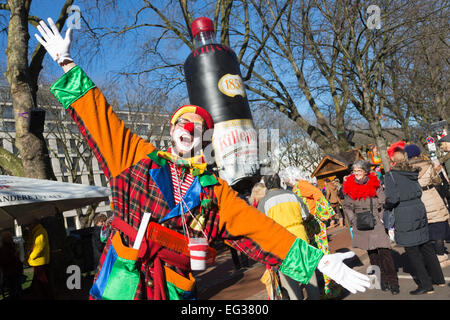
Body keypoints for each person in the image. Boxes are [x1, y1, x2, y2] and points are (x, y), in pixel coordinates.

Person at [35, 18, 370, 300]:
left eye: (198, 128)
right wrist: (67, 63)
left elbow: (261, 229)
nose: (189, 129)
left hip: (174, 285)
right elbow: (100, 118)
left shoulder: (214, 191)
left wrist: (318, 262)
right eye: (183, 123)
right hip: (124, 281)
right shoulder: (135, 156)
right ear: (172, 131)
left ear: (202, 140)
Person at [384, 149, 445, 295]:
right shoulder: (412, 172)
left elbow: (393, 198)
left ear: (393, 160)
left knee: (412, 250)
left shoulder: (391, 175)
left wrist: (386, 206)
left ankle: (426, 285)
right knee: (426, 245)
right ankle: (439, 279)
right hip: (418, 207)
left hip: (404, 212)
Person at [257, 173, 319, 300]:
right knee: (308, 272)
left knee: (289, 279)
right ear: (280, 182)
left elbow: (261, 226)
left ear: (267, 185)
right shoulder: (293, 195)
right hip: (300, 236)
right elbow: (305, 215)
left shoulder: (264, 202)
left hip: (280, 241)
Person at [342, 160, 399, 295]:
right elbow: (347, 206)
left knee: (385, 252)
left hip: (376, 221)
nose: (356, 174)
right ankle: (381, 280)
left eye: (359, 171)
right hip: (361, 223)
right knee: (372, 254)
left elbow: (382, 201)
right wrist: (353, 219)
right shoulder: (348, 186)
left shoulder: (374, 184)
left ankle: (393, 282)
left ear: (366, 172)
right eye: (354, 171)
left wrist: (380, 216)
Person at [292, 179, 342, 299]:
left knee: (322, 254)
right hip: (309, 224)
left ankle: (331, 288)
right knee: (318, 255)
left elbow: (316, 192)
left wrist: (321, 213)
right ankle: (329, 287)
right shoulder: (297, 186)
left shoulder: (301, 185)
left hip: (314, 223)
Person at [405, 144, 450, 268]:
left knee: (424, 227)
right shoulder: (428, 165)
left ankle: (429, 257)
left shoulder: (406, 169)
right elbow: (437, 181)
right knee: (438, 226)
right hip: (431, 196)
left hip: (417, 200)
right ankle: (441, 256)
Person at [25, 218, 53, 299]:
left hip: (39, 262)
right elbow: (32, 244)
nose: (28, 226)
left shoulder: (40, 231)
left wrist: (30, 257)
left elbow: (39, 247)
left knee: (43, 284)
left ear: (34, 224)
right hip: (38, 262)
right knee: (41, 284)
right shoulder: (36, 232)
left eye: (29, 224)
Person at [0, 232, 23, 300]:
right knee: (14, 292)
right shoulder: (3, 249)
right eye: (9, 237)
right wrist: (14, 256)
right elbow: (2, 261)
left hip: (15, 272)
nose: (11, 238)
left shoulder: (11, 246)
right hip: (11, 274)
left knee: (17, 291)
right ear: (5, 239)